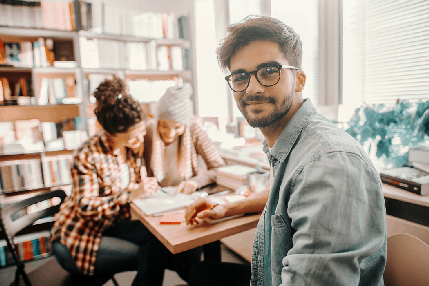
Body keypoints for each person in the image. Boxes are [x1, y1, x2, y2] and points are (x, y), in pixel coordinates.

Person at [185, 15, 387, 286]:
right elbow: (287, 194)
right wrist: (228, 207)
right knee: (200, 272)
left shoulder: (328, 162)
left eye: (269, 71)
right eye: (240, 76)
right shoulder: (295, 147)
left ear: (299, 79)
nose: (252, 88)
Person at [50, 76, 168, 286]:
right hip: (78, 237)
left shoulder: (130, 148)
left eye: (141, 133)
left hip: (111, 226)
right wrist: (131, 195)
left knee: (161, 238)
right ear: (111, 133)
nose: (139, 141)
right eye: (133, 137)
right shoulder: (87, 155)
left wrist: (144, 188)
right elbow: (85, 208)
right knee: (152, 254)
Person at [143, 82, 226, 194]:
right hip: (156, 196)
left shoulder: (194, 130)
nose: (170, 133)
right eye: (164, 126)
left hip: (187, 195)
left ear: (185, 125)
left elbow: (220, 168)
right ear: (157, 122)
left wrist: (196, 182)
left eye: (177, 127)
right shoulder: (147, 132)